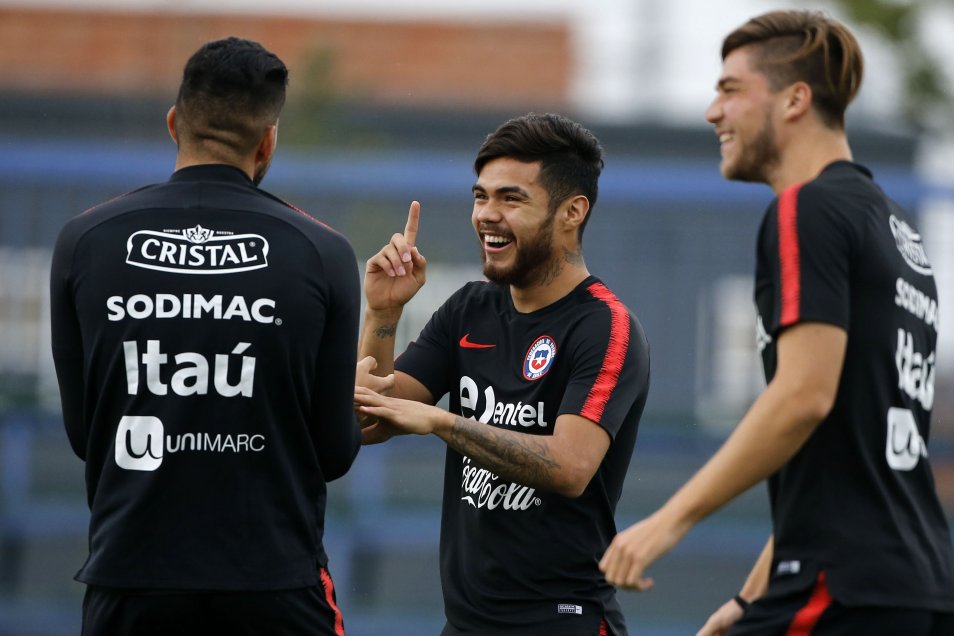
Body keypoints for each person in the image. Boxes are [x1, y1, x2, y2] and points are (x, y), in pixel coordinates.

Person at [599, 9, 954, 636]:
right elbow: (839, 451)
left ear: (795, 100)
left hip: (841, 585)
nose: (713, 111)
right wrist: (749, 599)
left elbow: (803, 399)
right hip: (913, 584)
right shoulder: (896, 229)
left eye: (731, 89)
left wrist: (667, 522)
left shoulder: (807, 209)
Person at [49, 37, 375, 635]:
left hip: (130, 583)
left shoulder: (84, 239)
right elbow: (333, 453)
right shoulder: (322, 251)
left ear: (174, 123)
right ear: (267, 141)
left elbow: (83, 434)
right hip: (274, 586)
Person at [354, 112, 651, 635]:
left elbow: (570, 467)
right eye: (480, 197)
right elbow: (368, 420)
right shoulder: (469, 308)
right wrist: (383, 313)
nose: (487, 215)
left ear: (572, 212)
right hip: (466, 624)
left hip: (561, 622)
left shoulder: (606, 327)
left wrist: (445, 422)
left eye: (511, 199)